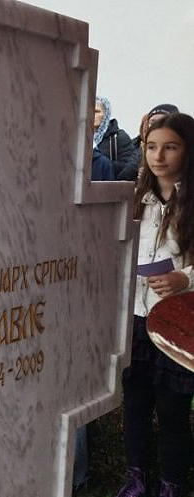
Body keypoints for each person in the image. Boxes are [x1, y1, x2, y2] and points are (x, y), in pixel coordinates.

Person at [116, 113, 194, 497]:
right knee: (135, 403)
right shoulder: (134, 199)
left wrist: (185, 278)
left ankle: (172, 484)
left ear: (187, 150)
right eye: (151, 146)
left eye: (170, 147)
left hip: (178, 323)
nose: (158, 156)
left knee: (173, 410)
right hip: (135, 315)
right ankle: (136, 477)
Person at [93, 96, 139, 180]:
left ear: (106, 114)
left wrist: (101, 163)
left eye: (96, 111)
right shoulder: (80, 137)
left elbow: (128, 167)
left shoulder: (118, 137)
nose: (92, 115)